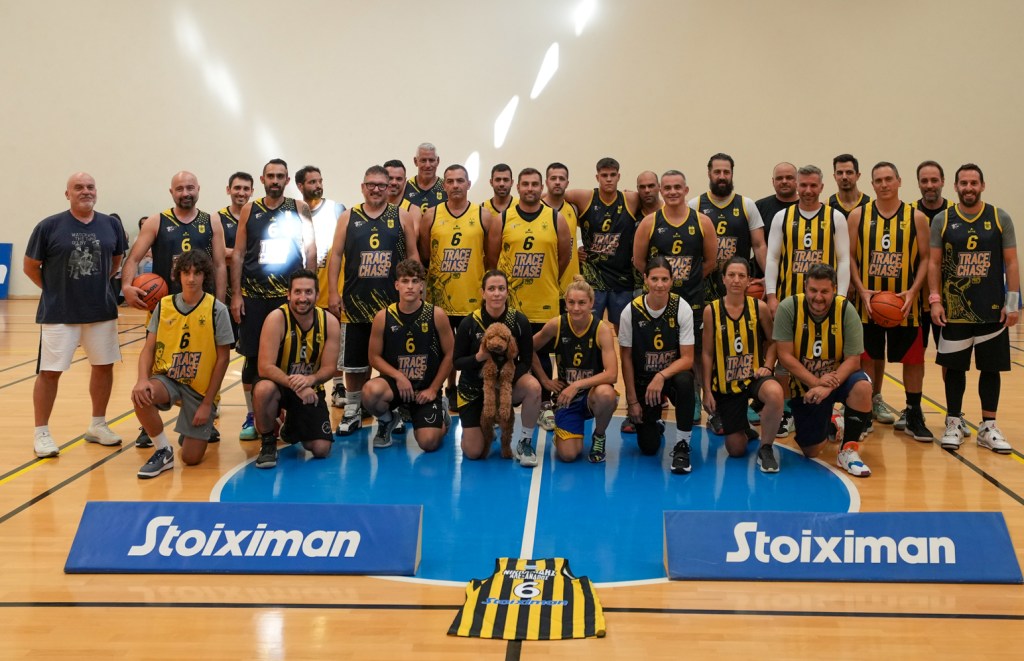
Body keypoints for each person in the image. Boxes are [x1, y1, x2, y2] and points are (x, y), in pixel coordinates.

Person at [24, 172, 128, 458]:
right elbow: (30, 266)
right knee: (49, 372)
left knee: (103, 367)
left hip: (101, 310)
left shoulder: (111, 225)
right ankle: (41, 432)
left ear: (97, 191)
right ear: (67, 193)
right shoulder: (48, 226)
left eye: (90, 187)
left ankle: (98, 425)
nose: (85, 191)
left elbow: (116, 261)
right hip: (59, 312)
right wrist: (54, 290)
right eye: (78, 187)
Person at [929, 164, 1019, 453]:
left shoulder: (999, 217)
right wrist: (935, 300)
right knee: (955, 368)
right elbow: (933, 263)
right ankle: (954, 421)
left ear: (982, 185)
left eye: (974, 183)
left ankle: (988, 426)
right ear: (955, 186)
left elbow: (1011, 262)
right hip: (955, 309)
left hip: (991, 308)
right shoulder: (943, 219)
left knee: (990, 368)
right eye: (964, 183)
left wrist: (1013, 303)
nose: (969, 188)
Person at [327, 165, 420, 435]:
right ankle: (353, 410)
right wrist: (333, 292)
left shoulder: (401, 216)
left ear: (389, 187)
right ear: (363, 187)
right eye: (371, 184)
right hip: (355, 302)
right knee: (354, 363)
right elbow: (336, 256)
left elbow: (412, 254)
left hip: (392, 306)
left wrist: (417, 290)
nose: (376, 189)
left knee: (392, 360)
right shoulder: (348, 216)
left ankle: (391, 410)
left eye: (381, 185)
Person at [230, 158, 317, 441]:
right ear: (263, 179)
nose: (275, 180)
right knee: (253, 359)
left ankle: (288, 412)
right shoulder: (249, 209)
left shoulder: (299, 208)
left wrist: (309, 290)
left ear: (288, 180)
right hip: (254, 297)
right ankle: (252, 414)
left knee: (289, 357)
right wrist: (236, 294)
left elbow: (310, 250)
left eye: (280, 176)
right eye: (271, 176)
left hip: (288, 298)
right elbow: (238, 254)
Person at [764, 165, 852, 439]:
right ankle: (786, 412)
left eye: (813, 185)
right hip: (791, 302)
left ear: (822, 187)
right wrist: (771, 294)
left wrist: (840, 298)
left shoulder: (835, 217)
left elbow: (844, 260)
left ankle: (830, 410)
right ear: (797, 186)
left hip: (825, 303)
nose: (808, 190)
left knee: (827, 356)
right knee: (784, 358)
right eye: (803, 185)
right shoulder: (782, 216)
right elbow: (773, 257)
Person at [847, 162, 933, 441]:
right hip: (868, 304)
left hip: (904, 304)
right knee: (867, 358)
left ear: (899, 181)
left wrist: (913, 291)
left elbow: (925, 258)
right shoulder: (858, 215)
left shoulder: (917, 217)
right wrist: (861, 290)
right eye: (878, 180)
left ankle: (914, 413)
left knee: (913, 360)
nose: (884, 184)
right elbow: (849, 257)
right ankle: (864, 413)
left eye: (888, 179)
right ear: (872, 184)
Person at [132, 250, 233, 478]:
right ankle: (163, 450)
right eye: (186, 273)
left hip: (199, 389)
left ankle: (190, 432)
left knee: (190, 459)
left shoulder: (217, 309)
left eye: (197, 273)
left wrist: (207, 403)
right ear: (178, 275)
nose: (191, 278)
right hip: (168, 378)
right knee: (140, 395)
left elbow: (223, 359)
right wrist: (142, 380)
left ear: (205, 276)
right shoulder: (164, 305)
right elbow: (148, 348)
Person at [488, 167, 571, 431]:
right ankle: (502, 405)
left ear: (541, 187)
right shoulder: (503, 218)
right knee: (505, 356)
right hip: (512, 304)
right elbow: (492, 259)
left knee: (543, 356)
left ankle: (544, 404)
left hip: (544, 300)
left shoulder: (556, 218)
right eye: (525, 184)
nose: (530, 189)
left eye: (535, 184)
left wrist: (547, 278)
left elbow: (564, 257)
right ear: (518, 187)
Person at [633, 170, 716, 429]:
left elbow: (711, 261)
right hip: (659, 302)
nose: (672, 192)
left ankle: (702, 401)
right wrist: (661, 285)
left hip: (692, 299)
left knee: (697, 352)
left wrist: (686, 280)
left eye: (677, 187)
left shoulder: (702, 221)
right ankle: (656, 401)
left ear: (686, 190)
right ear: (661, 191)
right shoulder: (649, 222)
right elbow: (639, 261)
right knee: (658, 350)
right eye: (667, 188)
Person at [774, 264, 873, 477]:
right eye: (813, 290)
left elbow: (853, 360)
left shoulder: (846, 310)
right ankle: (833, 422)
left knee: (863, 387)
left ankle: (848, 450)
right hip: (806, 385)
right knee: (811, 451)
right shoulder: (788, 307)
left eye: (825, 291)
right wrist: (816, 382)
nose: (818, 297)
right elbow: (784, 356)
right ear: (805, 287)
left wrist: (827, 386)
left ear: (834, 289)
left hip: (838, 379)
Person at [419, 164, 496, 408]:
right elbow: (425, 255)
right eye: (450, 181)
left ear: (468, 184)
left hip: (472, 296)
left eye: (460, 181)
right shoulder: (431, 215)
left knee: (473, 348)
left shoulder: (483, 215)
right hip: (440, 297)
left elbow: (491, 258)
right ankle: (448, 387)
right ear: (444, 185)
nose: (455, 185)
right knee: (443, 349)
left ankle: (468, 388)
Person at [701, 257, 784, 472]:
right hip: (727, 383)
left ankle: (766, 448)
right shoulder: (711, 311)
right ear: (723, 279)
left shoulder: (759, 308)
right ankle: (743, 428)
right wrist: (706, 390)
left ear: (749, 280)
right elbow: (707, 353)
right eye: (731, 275)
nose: (736, 280)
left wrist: (768, 365)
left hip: (754, 376)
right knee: (736, 450)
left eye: (741, 276)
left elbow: (773, 341)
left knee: (775, 393)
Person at [252, 269, 341, 468]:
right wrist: (297, 385)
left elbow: (329, 368)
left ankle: (291, 425)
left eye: (308, 292)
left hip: (310, 388)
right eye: (298, 292)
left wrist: (309, 380)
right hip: (279, 385)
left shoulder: (329, 322)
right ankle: (268, 442)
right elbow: (264, 367)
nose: (303, 298)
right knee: (263, 389)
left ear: (317, 295)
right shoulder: (276, 318)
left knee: (321, 449)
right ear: (288, 294)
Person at [453, 270, 543, 467]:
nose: (496, 293)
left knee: (533, 387)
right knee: (474, 452)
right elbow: (457, 362)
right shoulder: (469, 323)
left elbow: (526, 361)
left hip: (504, 385)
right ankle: (476, 429)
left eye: (501, 289)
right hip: (474, 389)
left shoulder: (519, 321)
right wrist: (478, 357)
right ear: (482, 293)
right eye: (491, 289)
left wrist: (504, 381)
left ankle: (525, 442)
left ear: (507, 292)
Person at [362, 259, 454, 451]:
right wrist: (399, 376)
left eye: (415, 281)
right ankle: (387, 420)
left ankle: (441, 414)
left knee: (429, 443)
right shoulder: (383, 317)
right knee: (370, 391)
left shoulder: (436, 315)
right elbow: (373, 357)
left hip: (424, 390)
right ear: (397, 285)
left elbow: (450, 354)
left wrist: (434, 389)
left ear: (421, 285)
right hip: (397, 387)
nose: (410, 286)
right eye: (405, 281)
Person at [619, 256, 697, 474]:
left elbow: (688, 359)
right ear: (645, 279)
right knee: (649, 447)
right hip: (644, 380)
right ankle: (653, 421)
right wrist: (632, 400)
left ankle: (682, 445)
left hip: (670, 377)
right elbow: (626, 358)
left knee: (685, 381)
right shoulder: (630, 311)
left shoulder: (682, 308)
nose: (660, 285)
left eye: (664, 279)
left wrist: (661, 375)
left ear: (672, 280)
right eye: (654, 279)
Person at [531, 275, 618, 463]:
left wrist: (577, 385)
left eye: (582, 303)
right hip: (566, 398)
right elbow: (527, 348)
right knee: (568, 455)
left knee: (606, 394)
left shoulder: (601, 329)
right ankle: (563, 434)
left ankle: (599, 436)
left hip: (591, 395)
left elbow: (612, 374)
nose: (576, 308)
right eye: (571, 302)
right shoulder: (557, 324)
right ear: (565, 304)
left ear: (591, 303)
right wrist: (545, 380)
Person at [122, 171, 227, 307]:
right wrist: (126, 286)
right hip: (165, 303)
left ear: (198, 189)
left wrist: (220, 303)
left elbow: (220, 265)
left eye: (190, 188)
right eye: (179, 189)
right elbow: (133, 259)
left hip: (203, 303)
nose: (185, 193)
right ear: (171, 192)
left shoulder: (211, 222)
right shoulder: (156, 221)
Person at [295, 165, 348, 408]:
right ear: (300, 186)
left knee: (335, 342)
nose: (317, 186)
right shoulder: (295, 211)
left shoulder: (337, 209)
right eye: (312, 182)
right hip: (305, 291)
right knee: (305, 344)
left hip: (333, 288)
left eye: (319, 181)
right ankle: (307, 386)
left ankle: (338, 386)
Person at [564, 157, 640, 327]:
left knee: (624, 329)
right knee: (588, 326)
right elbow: (552, 196)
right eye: (604, 175)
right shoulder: (585, 197)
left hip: (622, 278)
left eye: (612, 175)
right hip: (593, 279)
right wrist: (574, 250)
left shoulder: (630, 199)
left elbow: (657, 203)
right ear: (597, 177)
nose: (609, 179)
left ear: (618, 176)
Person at [689, 153, 768, 301]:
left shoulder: (747, 204)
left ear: (732, 174)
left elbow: (759, 245)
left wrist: (769, 278)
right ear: (709, 174)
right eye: (717, 172)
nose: (722, 176)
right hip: (705, 284)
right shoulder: (695, 205)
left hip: (738, 282)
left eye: (726, 172)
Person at [542, 162, 581, 304]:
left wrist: (582, 248)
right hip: (544, 284)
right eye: (553, 178)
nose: (557, 182)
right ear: (546, 182)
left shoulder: (574, 209)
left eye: (562, 178)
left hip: (570, 286)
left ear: (567, 183)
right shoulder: (537, 208)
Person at [754, 162, 799, 256]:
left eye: (789, 177)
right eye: (779, 178)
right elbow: (757, 245)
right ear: (773, 181)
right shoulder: (759, 207)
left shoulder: (808, 207)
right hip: (765, 264)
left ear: (797, 180)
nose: (784, 181)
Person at [403, 143, 447, 212]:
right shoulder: (405, 187)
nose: (427, 165)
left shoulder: (446, 187)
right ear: (415, 161)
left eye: (431, 160)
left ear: (438, 161)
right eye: (423, 160)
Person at [829, 153, 872, 218]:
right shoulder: (827, 206)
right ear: (835, 176)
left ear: (858, 176)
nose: (844, 177)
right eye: (840, 173)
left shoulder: (871, 205)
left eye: (849, 172)